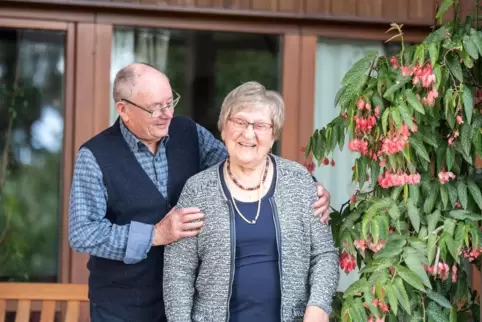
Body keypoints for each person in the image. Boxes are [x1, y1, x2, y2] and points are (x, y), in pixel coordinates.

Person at [68, 63, 332, 322]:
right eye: (155, 108)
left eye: (170, 103)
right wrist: (155, 234)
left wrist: (310, 186)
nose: (167, 114)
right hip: (122, 306)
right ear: (123, 110)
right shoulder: (95, 156)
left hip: (188, 301)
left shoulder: (187, 132)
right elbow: (83, 233)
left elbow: (242, 161)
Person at [163, 81, 339, 322]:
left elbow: (324, 254)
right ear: (223, 129)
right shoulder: (198, 190)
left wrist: (318, 305)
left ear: (273, 134)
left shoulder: (299, 181)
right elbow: (178, 271)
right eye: (239, 122)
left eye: (260, 125)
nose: (248, 133)